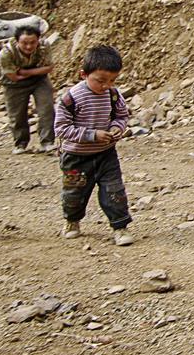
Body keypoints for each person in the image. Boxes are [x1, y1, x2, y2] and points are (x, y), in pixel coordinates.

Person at [54, 45, 134, 246]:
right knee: (74, 193)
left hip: (106, 154)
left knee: (114, 191)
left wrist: (116, 128)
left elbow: (121, 116)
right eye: (101, 80)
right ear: (84, 74)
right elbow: (61, 129)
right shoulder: (71, 98)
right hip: (76, 157)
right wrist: (92, 135)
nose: (107, 85)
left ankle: (120, 227)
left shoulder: (113, 95)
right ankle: (72, 221)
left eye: (112, 80)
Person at [0, 26, 56, 154]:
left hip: (39, 81)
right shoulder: (6, 53)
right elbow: (13, 76)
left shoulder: (44, 46)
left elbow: (49, 67)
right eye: (24, 43)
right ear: (17, 41)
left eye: (32, 42)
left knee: (46, 109)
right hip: (14, 84)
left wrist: (24, 72)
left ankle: (47, 142)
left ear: (38, 40)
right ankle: (20, 144)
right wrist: (37, 71)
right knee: (17, 115)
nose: (29, 47)